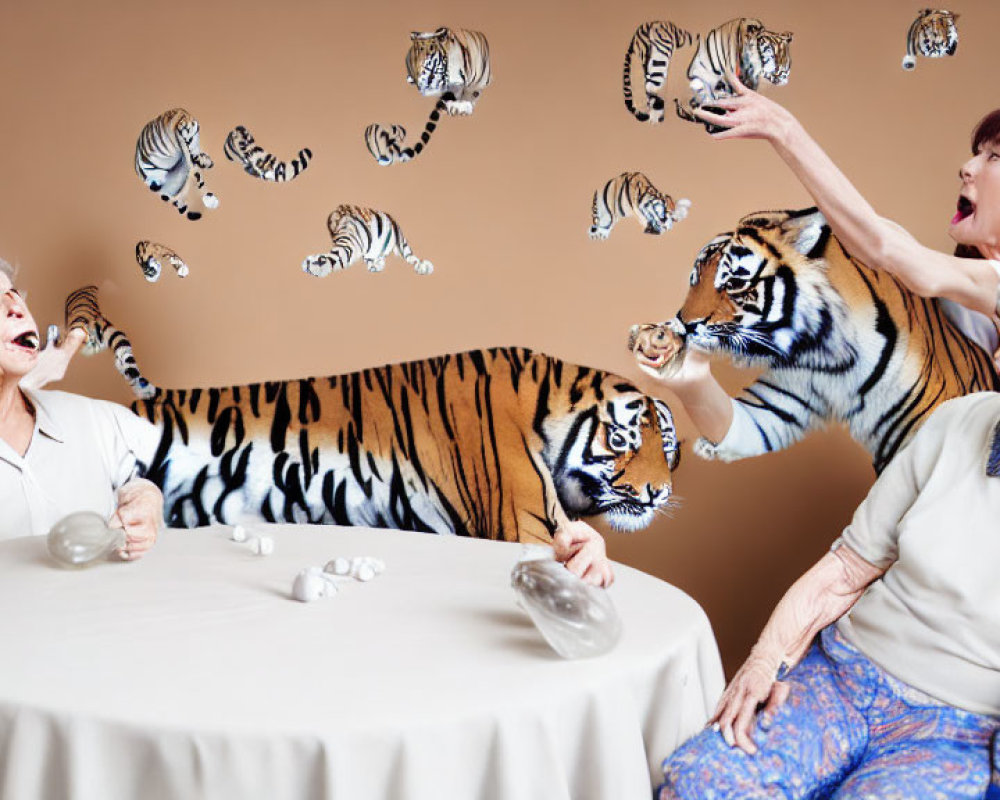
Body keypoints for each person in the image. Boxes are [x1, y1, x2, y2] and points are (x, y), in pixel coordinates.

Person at [658, 390, 1000, 798]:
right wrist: (765, 663)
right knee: (700, 784)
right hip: (842, 676)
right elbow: (847, 569)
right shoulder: (961, 417)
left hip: (959, 732)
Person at [635, 83, 1000, 448]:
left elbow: (882, 243)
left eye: (994, 158)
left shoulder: (953, 282)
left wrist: (784, 130)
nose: (967, 168)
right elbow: (743, 432)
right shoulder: (907, 304)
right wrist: (692, 381)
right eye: (976, 154)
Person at [0, 259, 164, 558]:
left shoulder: (91, 418)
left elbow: (164, 468)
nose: (16, 307)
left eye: (13, 293)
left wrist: (147, 498)